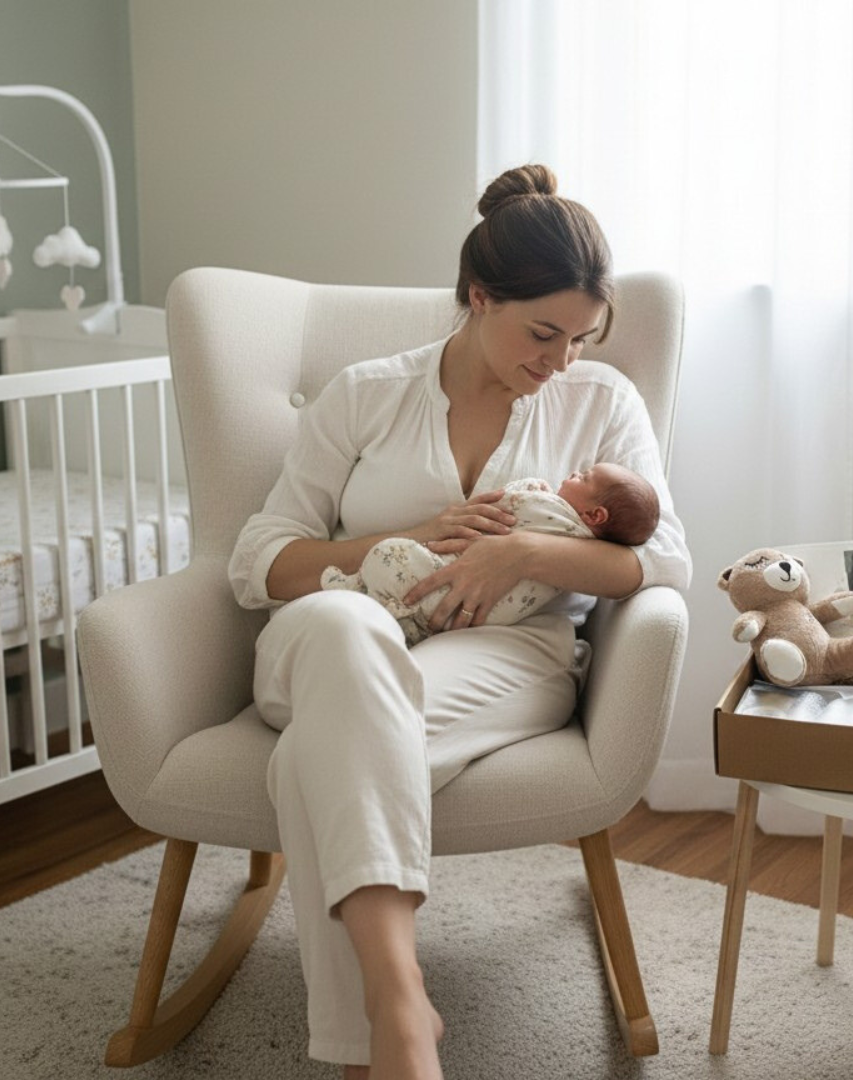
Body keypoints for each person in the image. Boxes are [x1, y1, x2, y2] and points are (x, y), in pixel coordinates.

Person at [227, 164, 691, 1079]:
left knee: (315, 758)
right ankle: (403, 1010)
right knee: (342, 634)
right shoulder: (366, 393)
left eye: (584, 337)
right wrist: (410, 537)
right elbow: (259, 563)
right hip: (337, 637)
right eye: (543, 332)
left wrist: (519, 555)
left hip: (505, 656)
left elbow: (662, 557)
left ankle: (383, 1035)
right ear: (479, 298)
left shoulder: (600, 401)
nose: (561, 361)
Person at [321, 462, 661, 644]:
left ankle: (365, 592)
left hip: (506, 635)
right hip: (491, 619)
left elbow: (508, 502)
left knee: (389, 555)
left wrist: (531, 492)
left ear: (594, 516)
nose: (574, 472)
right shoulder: (584, 548)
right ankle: (400, 620)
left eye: (584, 477)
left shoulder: (553, 512)